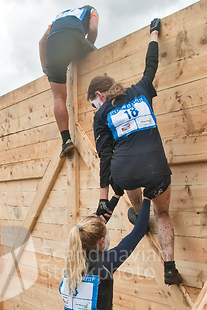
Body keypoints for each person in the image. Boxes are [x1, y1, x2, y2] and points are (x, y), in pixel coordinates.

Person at [87, 18, 182, 286]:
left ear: (99, 95)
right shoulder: (141, 89)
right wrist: (153, 33)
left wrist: (104, 200)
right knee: (163, 213)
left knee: (126, 175)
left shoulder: (102, 114)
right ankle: (170, 267)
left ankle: (139, 211)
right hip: (156, 168)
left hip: (126, 174)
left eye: (93, 101)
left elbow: (105, 157)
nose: (95, 106)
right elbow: (152, 64)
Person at [39, 6, 99, 158]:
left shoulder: (59, 16)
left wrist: (45, 68)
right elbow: (92, 28)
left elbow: (41, 42)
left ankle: (66, 140)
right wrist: (89, 49)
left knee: (58, 97)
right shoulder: (91, 10)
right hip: (74, 38)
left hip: (52, 47)